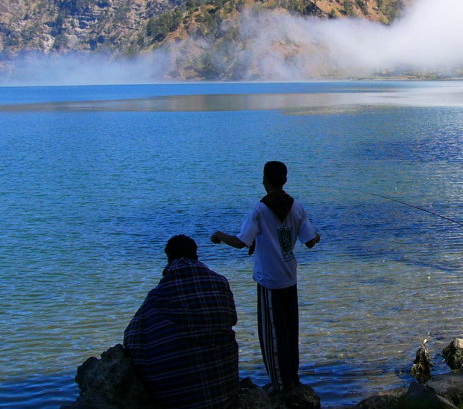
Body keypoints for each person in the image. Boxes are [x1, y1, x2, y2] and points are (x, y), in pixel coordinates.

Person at [211, 161, 320, 393]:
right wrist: (317, 236)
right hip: (290, 278)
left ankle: (279, 385)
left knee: (271, 334)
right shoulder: (297, 207)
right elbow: (310, 241)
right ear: (285, 180)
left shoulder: (259, 210)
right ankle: (293, 379)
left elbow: (242, 242)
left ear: (265, 181)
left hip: (269, 281)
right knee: (290, 331)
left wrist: (219, 235)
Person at [124, 235, 239, 409]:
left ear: (168, 259)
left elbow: (132, 337)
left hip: (180, 399)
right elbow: (231, 319)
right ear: (196, 256)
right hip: (225, 391)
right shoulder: (220, 282)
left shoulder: (160, 294)